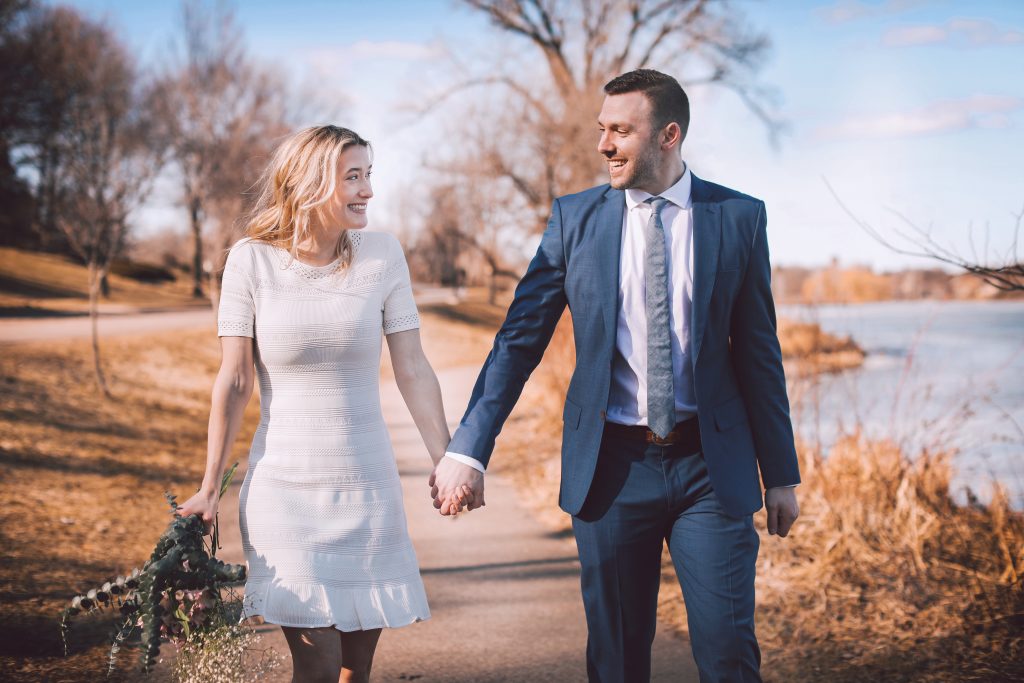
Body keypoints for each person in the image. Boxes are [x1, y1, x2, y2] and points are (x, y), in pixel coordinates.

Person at [430, 69, 801, 682]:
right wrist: (469, 450)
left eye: (621, 131)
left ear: (668, 135)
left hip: (711, 470)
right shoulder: (575, 221)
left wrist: (780, 473)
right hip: (611, 469)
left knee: (730, 653)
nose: (604, 144)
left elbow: (759, 354)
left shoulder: (737, 218)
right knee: (618, 659)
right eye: (602, 130)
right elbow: (520, 340)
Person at [176, 125, 466, 683]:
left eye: (369, 175)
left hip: (367, 486)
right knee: (317, 661)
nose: (368, 191)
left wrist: (445, 458)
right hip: (284, 491)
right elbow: (235, 380)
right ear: (310, 183)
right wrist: (210, 485)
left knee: (356, 667)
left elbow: (412, 366)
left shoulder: (383, 255)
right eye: (353, 177)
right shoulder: (250, 262)